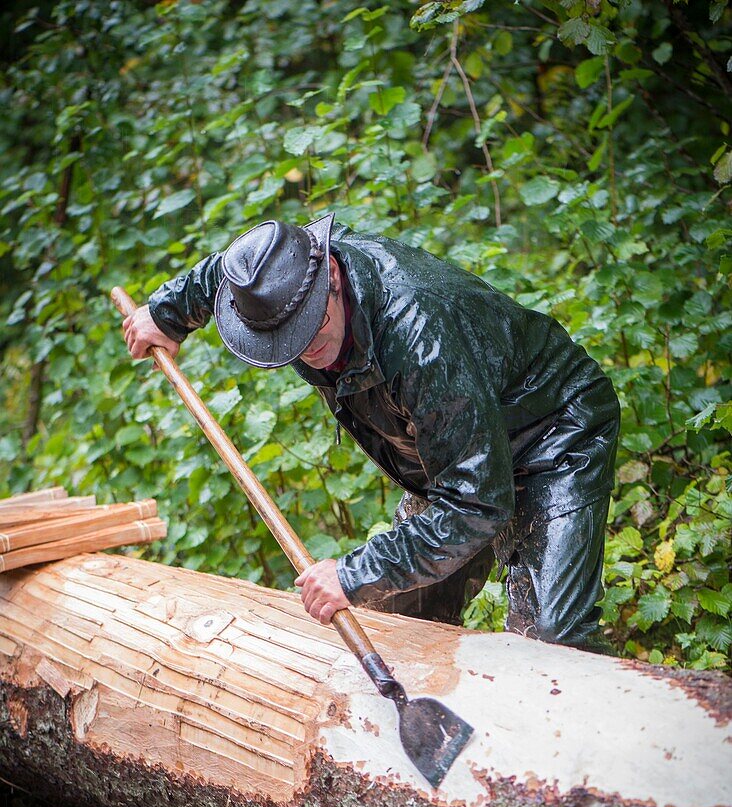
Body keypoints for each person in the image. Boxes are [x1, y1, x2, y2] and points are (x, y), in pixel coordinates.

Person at [122, 212, 620, 651]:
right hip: (449, 448)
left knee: (552, 643)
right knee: (397, 625)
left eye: (312, 331)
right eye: (288, 343)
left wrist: (353, 572)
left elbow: (477, 504)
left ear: (331, 276)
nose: (306, 350)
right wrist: (167, 313)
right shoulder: (282, 272)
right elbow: (226, 273)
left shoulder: (422, 337)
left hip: (551, 430)